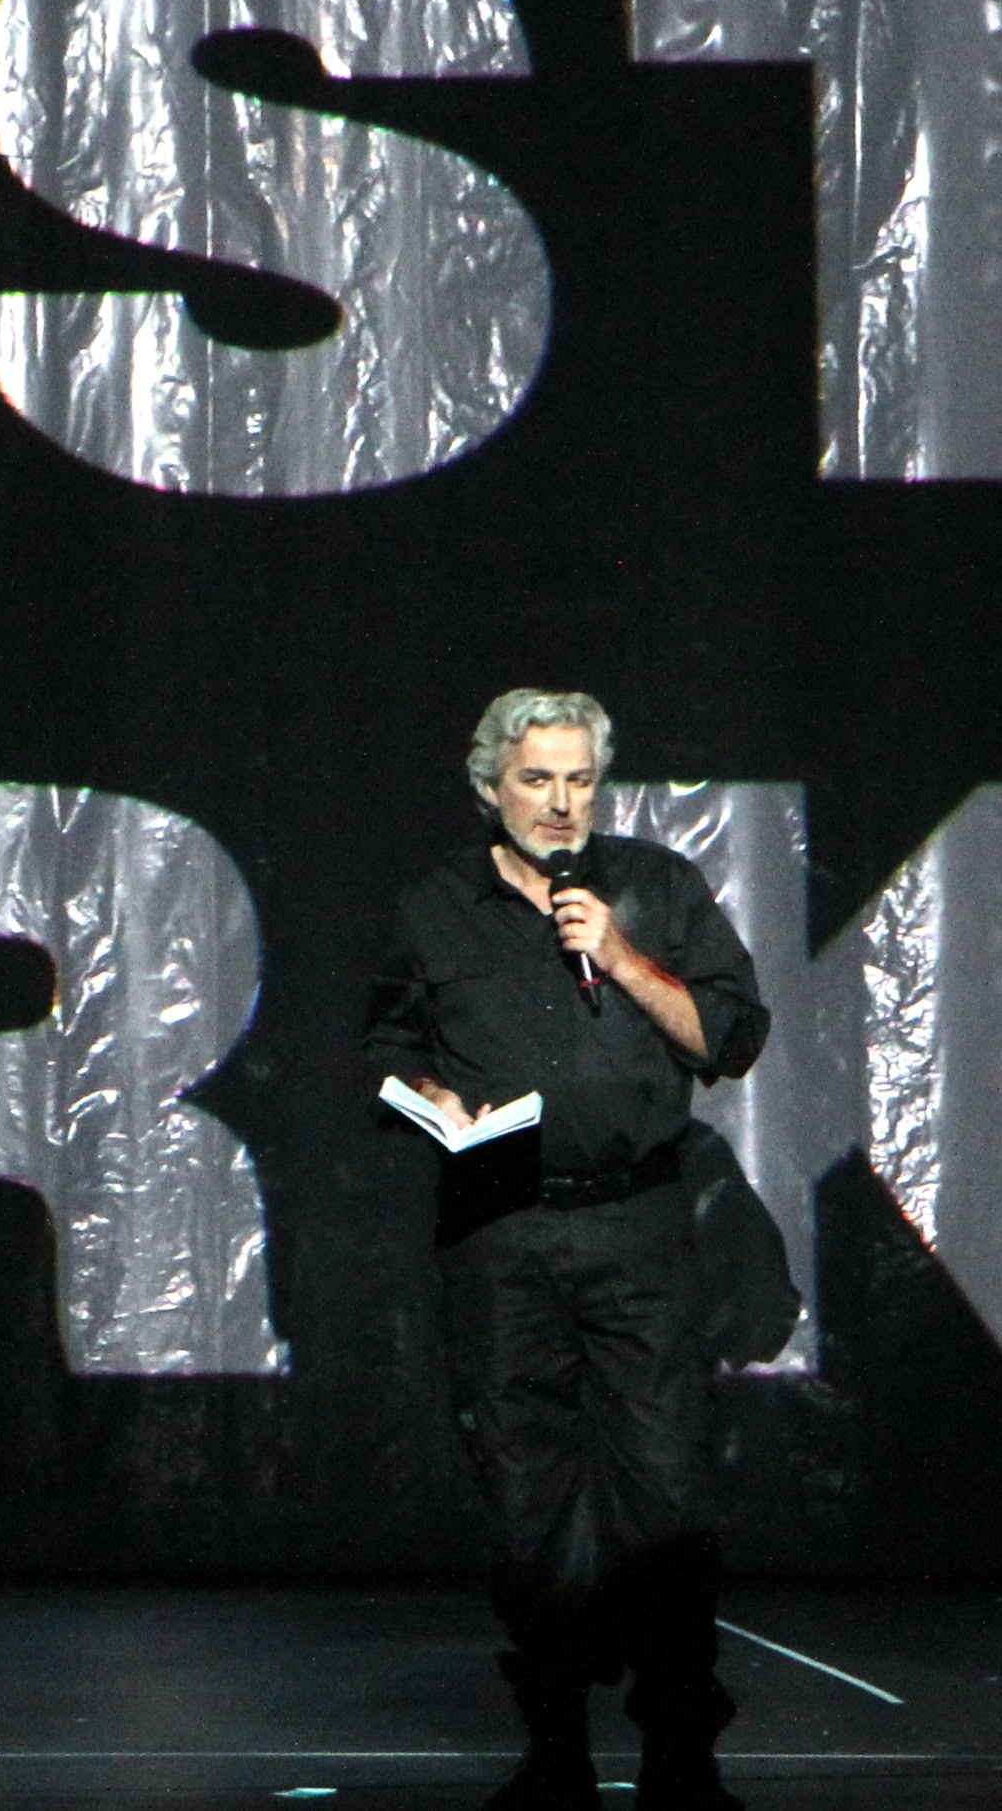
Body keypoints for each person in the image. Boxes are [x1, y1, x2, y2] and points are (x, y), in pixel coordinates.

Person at [365, 690, 767, 1811]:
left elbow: (731, 1034)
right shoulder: (437, 906)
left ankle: (679, 1753)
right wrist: (428, 1094)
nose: (559, 802)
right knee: (527, 1492)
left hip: (636, 1222)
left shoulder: (656, 888)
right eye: (536, 779)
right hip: (501, 1224)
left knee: (664, 1488)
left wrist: (623, 955)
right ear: (491, 785)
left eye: (579, 778)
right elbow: (384, 1043)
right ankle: (556, 1751)